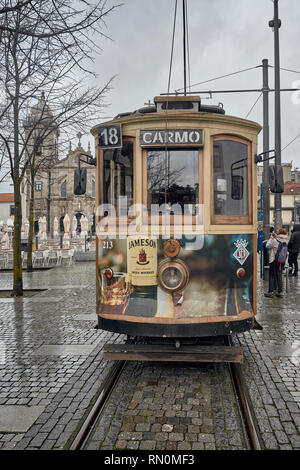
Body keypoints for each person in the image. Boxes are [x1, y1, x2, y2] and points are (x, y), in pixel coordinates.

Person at [264, 228, 288, 298]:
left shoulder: (275, 240)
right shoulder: (286, 241)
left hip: (274, 260)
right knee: (279, 275)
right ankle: (280, 292)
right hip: (282, 261)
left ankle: (270, 292)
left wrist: (271, 238)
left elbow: (267, 245)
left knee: (271, 276)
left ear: (279, 233)